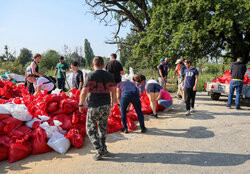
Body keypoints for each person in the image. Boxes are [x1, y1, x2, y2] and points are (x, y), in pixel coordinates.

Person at [78, 56, 116, 161]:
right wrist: (113, 102)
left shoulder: (90, 75)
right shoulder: (109, 75)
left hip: (94, 105)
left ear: (92, 64)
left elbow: (84, 91)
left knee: (90, 129)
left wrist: (81, 104)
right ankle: (104, 148)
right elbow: (113, 90)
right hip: (106, 105)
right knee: (103, 127)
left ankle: (100, 150)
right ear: (103, 64)